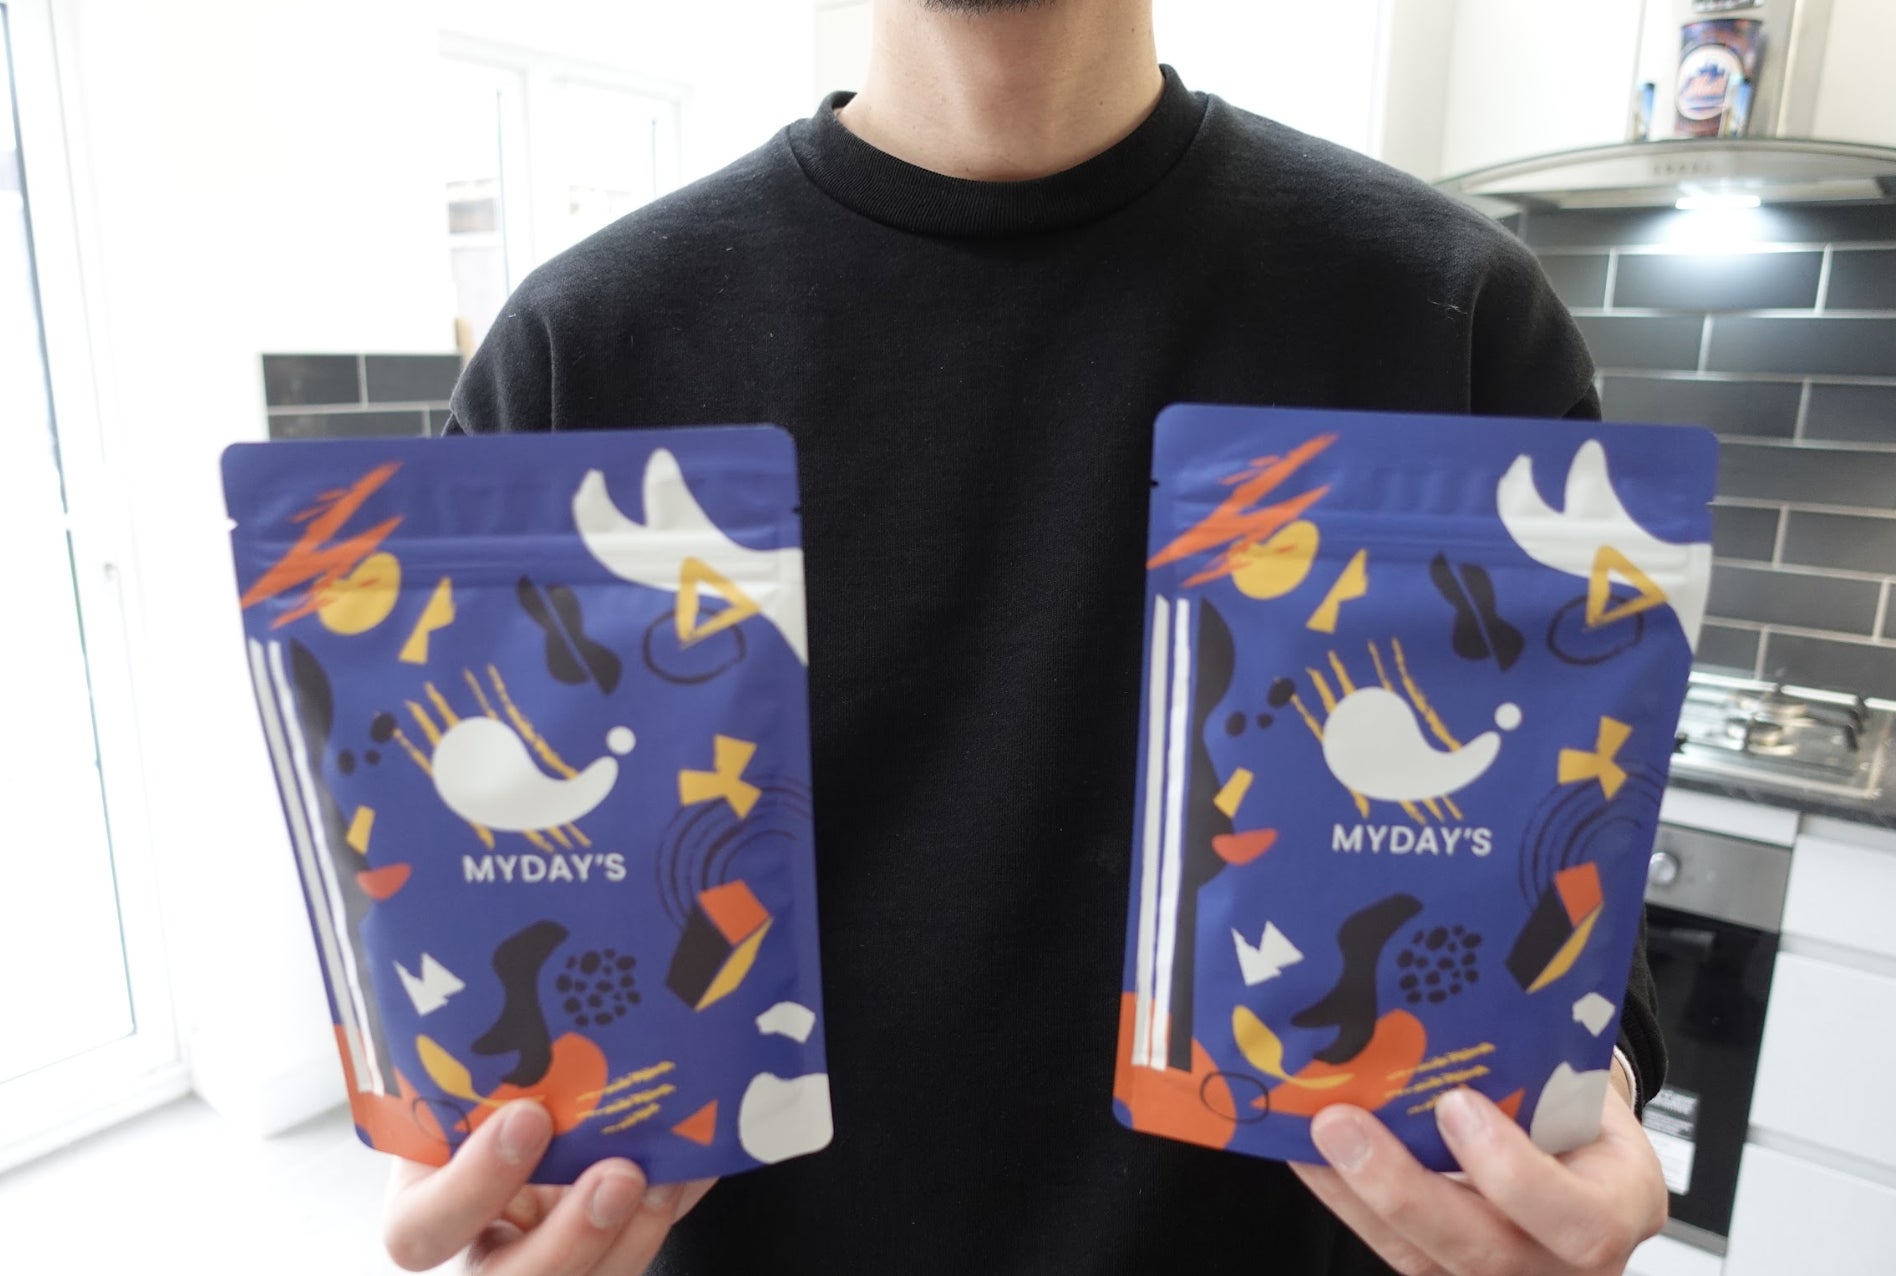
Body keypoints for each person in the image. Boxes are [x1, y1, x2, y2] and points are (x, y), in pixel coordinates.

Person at [386, 1, 1670, 1272]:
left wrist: (1588, 1090)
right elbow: (494, 898)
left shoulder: (1447, 313)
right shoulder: (579, 352)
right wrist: (479, 1154)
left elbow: (1574, 836)